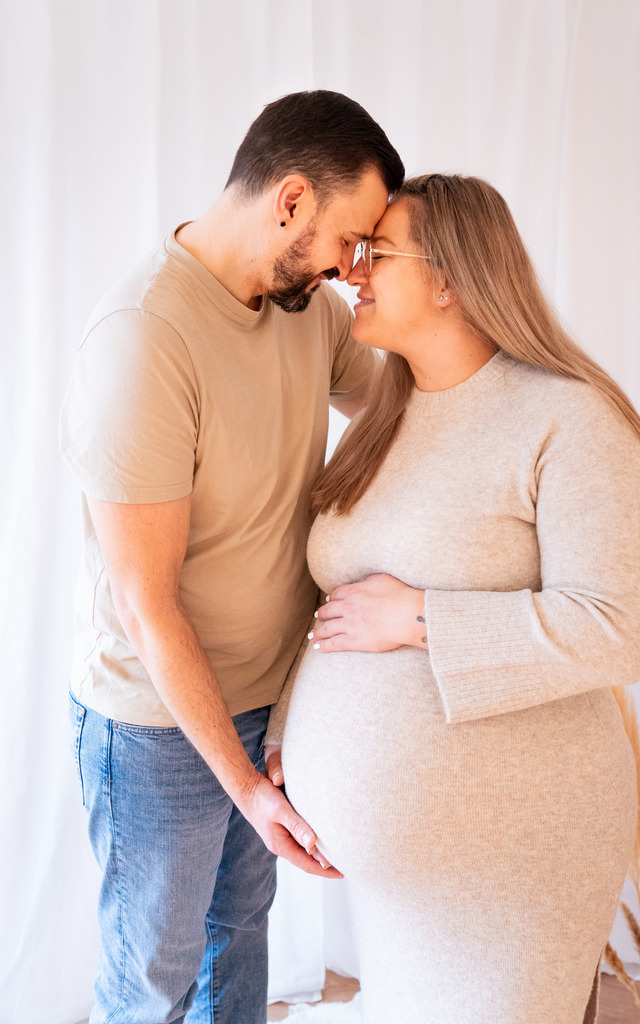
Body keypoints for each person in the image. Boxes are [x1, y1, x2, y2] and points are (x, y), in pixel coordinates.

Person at [265, 174, 640, 1024]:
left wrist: (418, 617)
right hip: (397, 874)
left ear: (450, 277)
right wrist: (285, 735)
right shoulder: (386, 413)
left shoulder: (570, 420)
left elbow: (615, 631)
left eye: (378, 253)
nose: (351, 272)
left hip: (515, 856)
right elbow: (336, 605)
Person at [59, 90, 404, 1024]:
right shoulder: (143, 340)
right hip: (159, 728)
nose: (353, 266)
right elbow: (146, 605)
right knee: (151, 985)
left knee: (241, 934)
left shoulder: (308, 308)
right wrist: (246, 788)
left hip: (272, 702)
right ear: (290, 199)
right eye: (350, 238)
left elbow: (399, 404)